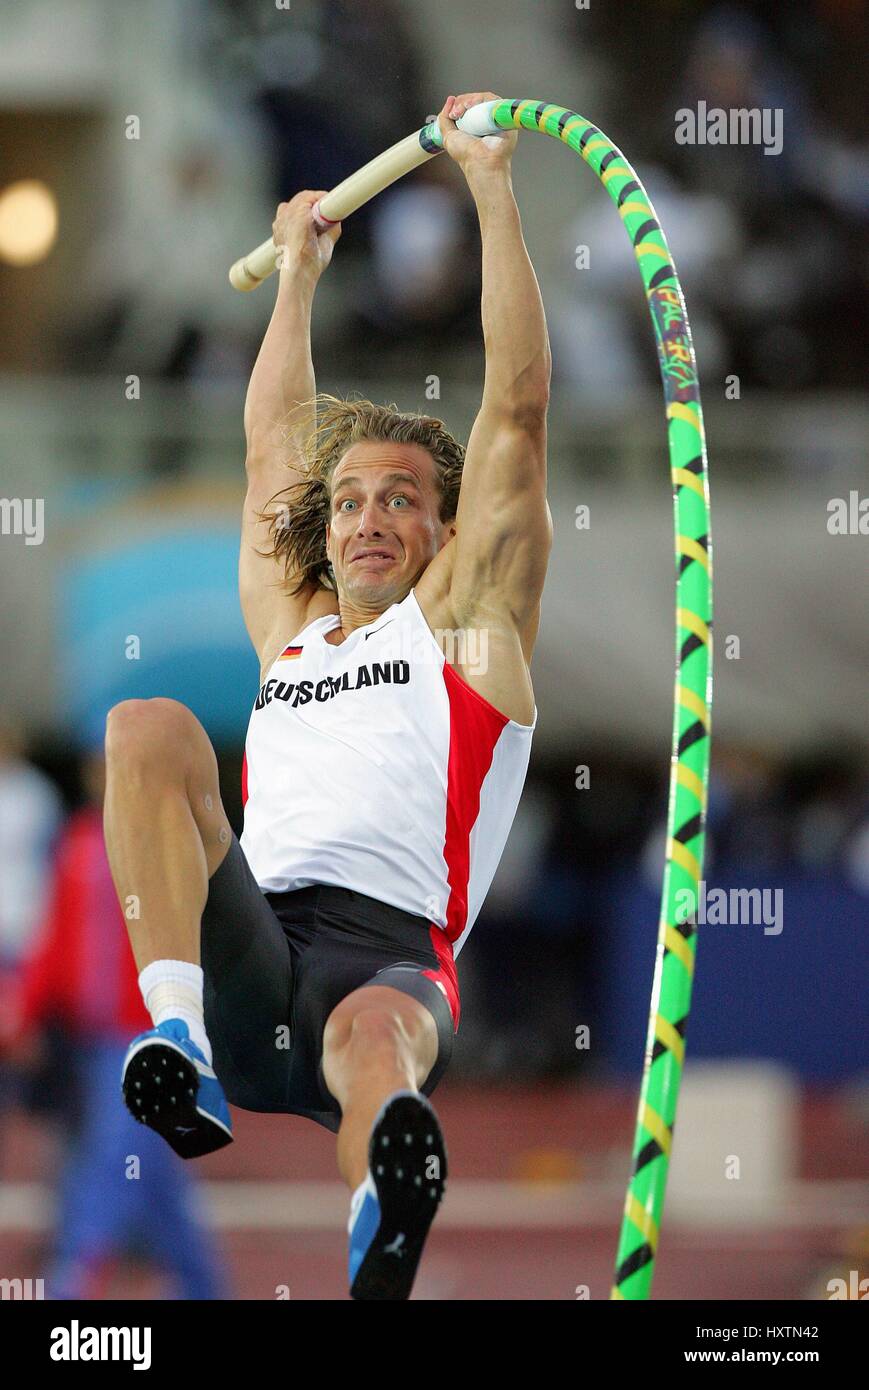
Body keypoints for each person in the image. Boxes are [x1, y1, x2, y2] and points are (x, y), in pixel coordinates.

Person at [104, 91, 552, 1300]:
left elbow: (511, 413)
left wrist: (488, 181)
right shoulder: (290, 638)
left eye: (399, 498)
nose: (365, 517)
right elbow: (270, 453)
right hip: (249, 955)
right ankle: (175, 1037)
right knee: (145, 729)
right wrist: (298, 275)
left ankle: (379, 1216)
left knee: (370, 1050)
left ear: (443, 530)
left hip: (388, 964)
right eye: (349, 499)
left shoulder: (467, 634)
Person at [2, 748, 228, 1300]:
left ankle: (71, 1285)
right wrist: (23, 1012)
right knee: (152, 1179)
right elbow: (55, 936)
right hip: (93, 1038)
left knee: (110, 1161)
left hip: (151, 1033)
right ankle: (203, 1287)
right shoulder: (79, 842)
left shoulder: (171, 841)